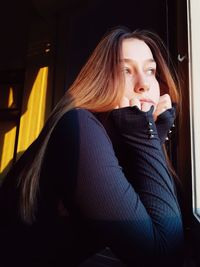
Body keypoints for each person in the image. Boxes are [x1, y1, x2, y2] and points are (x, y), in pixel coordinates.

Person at [0, 26, 184, 267]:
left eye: (150, 70)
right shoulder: (78, 124)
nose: (144, 84)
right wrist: (148, 137)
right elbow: (164, 253)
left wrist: (152, 135)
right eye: (125, 71)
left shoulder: (114, 142)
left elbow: (148, 219)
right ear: (100, 82)